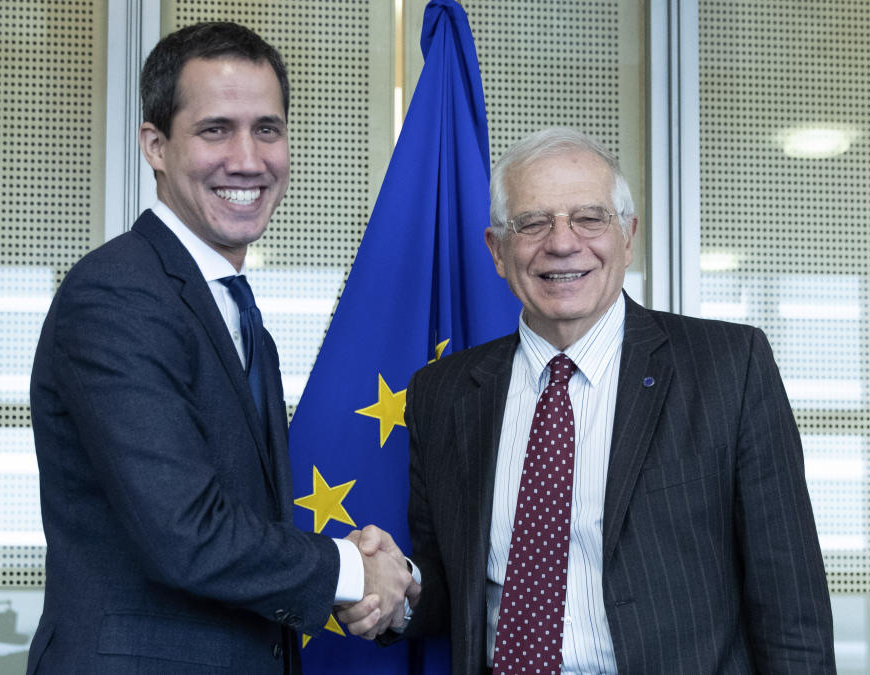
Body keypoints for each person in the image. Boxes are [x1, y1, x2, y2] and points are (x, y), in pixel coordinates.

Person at [354, 127, 835, 672]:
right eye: (533, 222)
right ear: (497, 250)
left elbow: (790, 603)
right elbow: (456, 586)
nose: (562, 242)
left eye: (589, 218)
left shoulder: (729, 366)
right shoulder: (442, 393)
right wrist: (405, 591)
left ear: (627, 236)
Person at [26, 21, 409, 674]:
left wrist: (377, 579)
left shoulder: (234, 306)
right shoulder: (118, 294)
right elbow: (186, 531)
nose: (248, 159)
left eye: (267, 128)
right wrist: (351, 568)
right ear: (155, 144)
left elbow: (243, 517)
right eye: (215, 129)